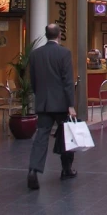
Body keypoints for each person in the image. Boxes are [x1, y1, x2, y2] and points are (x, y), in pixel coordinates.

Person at [27, 23, 76, 190]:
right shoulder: (64, 53)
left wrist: (40, 96)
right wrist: (71, 104)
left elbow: (33, 80)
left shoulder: (35, 55)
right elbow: (68, 81)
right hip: (61, 103)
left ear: (46, 35)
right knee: (67, 135)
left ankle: (34, 169)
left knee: (41, 137)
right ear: (59, 35)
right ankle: (66, 169)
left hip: (43, 103)